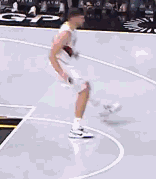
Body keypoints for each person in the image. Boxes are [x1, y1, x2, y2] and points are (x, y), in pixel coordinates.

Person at [49, 9, 120, 139]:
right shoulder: (66, 33)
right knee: (84, 90)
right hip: (61, 66)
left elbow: (64, 46)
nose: (83, 20)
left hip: (65, 64)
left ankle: (103, 108)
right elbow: (52, 55)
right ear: (73, 18)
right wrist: (62, 74)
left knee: (85, 87)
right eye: (81, 18)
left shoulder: (71, 30)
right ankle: (76, 129)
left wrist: (73, 52)